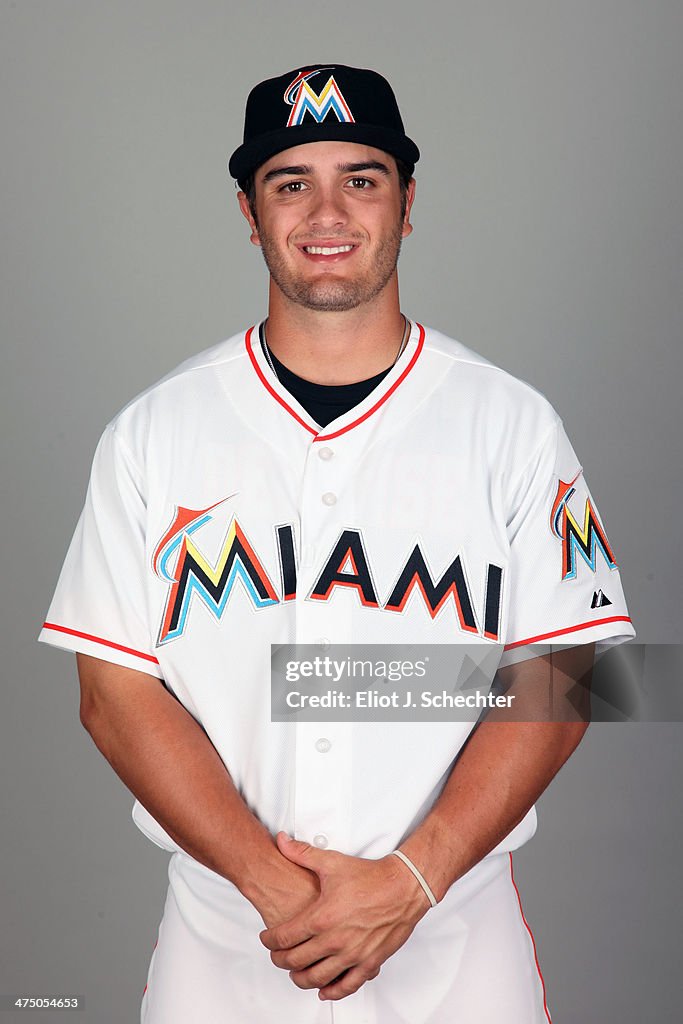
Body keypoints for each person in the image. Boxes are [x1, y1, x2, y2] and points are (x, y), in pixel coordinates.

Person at [39, 64, 635, 1023]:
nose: (327, 210)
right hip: (227, 947)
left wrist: (411, 879)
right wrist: (272, 887)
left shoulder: (512, 424)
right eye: (290, 182)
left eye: (361, 178)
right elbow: (113, 694)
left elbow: (572, 674)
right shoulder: (155, 431)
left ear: (407, 201)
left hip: (455, 944)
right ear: (248, 210)